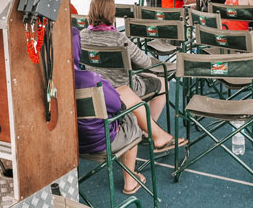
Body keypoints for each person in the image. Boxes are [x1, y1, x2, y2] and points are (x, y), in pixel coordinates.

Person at [72, 29, 181, 158]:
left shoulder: (54, 82)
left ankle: (154, 132)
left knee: (127, 92)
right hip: (100, 139)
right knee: (131, 114)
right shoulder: (92, 80)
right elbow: (117, 104)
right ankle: (147, 131)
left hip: (74, 137)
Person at [80, 0, 168, 121]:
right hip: (124, 89)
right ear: (112, 12)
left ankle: (138, 122)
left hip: (97, 89)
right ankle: (148, 128)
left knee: (150, 78)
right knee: (162, 82)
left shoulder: (82, 35)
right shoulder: (119, 39)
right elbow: (146, 63)